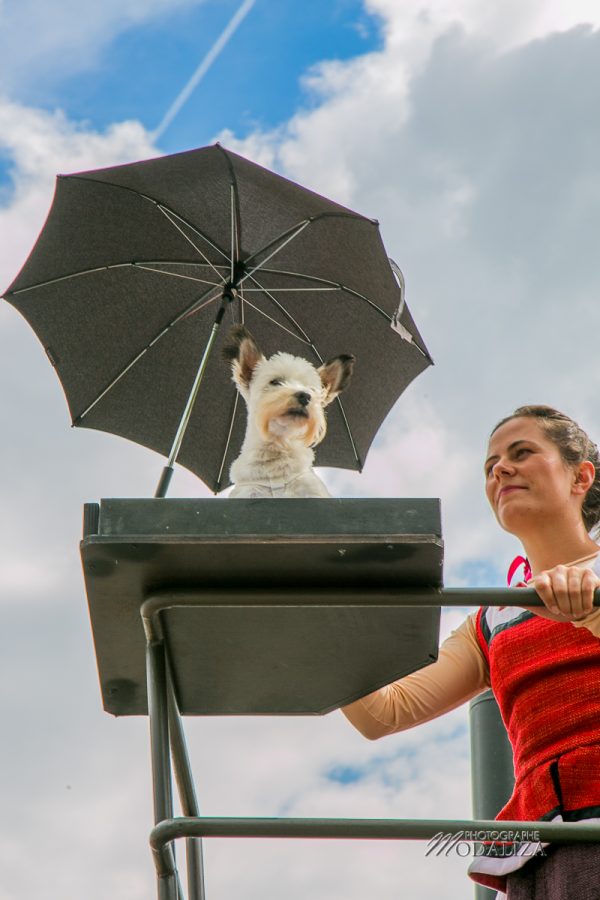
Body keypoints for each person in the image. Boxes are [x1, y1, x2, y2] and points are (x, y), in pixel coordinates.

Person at [342, 405, 600, 899]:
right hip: (547, 853)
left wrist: (588, 609)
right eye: (490, 465)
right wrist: (318, 617)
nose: (501, 469)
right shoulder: (491, 618)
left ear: (580, 476)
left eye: (522, 453)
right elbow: (383, 712)